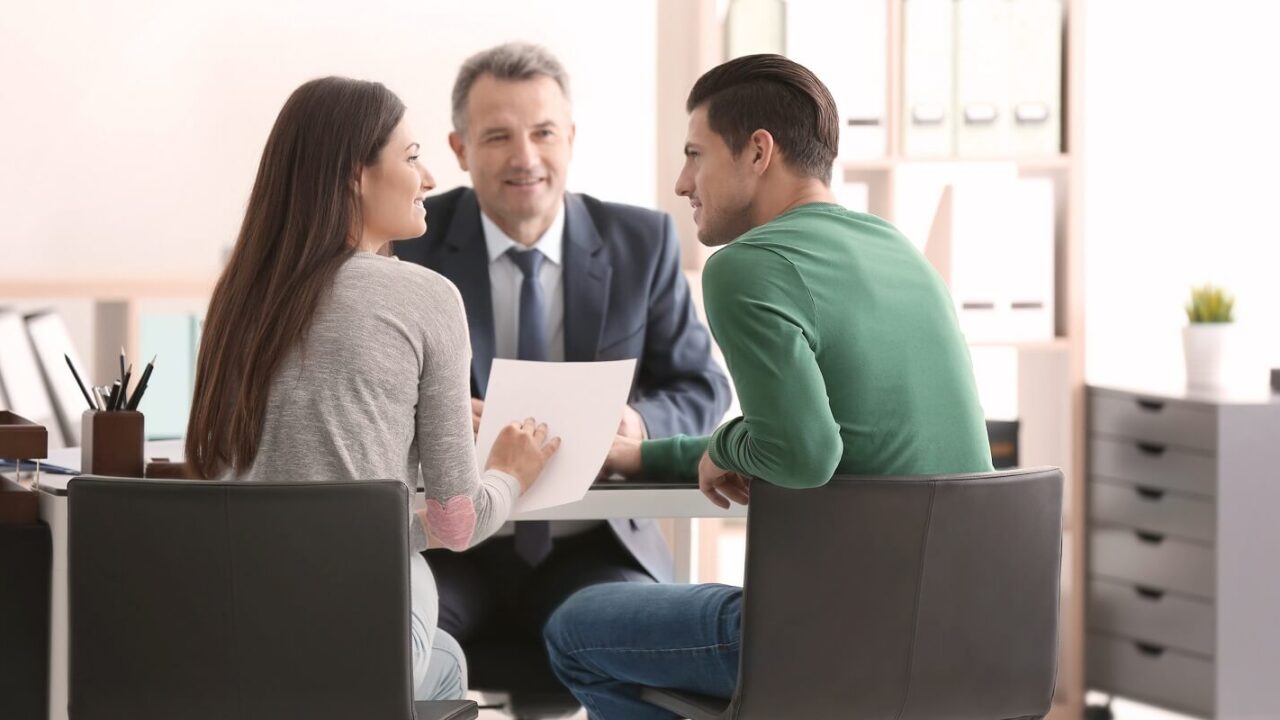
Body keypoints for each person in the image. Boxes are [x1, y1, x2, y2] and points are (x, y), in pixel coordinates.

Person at [542, 54, 994, 719]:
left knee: (574, 628)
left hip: (843, 640)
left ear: (758, 152)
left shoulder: (748, 267)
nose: (680, 182)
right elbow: (807, 430)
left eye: (696, 154)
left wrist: (726, 450)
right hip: (972, 633)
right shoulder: (897, 250)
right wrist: (652, 455)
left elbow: (806, 455)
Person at [184, 76, 560, 701]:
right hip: (360, 621)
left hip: (237, 624)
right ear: (355, 176)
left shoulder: (237, 296)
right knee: (438, 658)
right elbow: (458, 520)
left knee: (445, 660)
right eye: (412, 158)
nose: (431, 180)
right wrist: (509, 473)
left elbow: (257, 483)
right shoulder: (425, 296)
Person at [394, 43, 730, 653]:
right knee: (388, 644)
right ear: (460, 150)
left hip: (594, 543)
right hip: (452, 542)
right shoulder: (408, 246)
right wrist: (431, 423)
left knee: (647, 640)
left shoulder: (641, 241)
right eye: (497, 137)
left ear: (570, 138)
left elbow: (700, 385)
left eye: (544, 133)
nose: (525, 158)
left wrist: (636, 425)